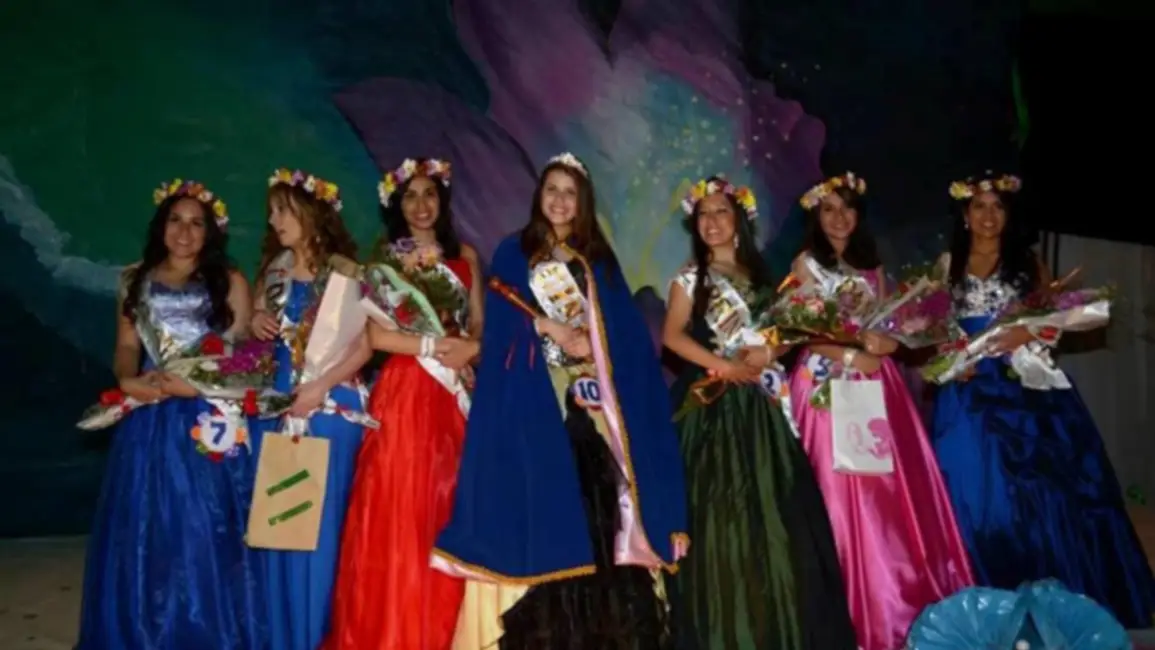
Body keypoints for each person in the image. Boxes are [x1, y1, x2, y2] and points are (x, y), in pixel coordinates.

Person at [432, 152, 689, 649]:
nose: (559, 200)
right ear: (539, 196)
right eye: (551, 189)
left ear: (582, 202)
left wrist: (594, 340)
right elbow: (501, 332)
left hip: (591, 407)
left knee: (600, 518)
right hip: (539, 403)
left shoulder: (598, 261)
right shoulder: (514, 252)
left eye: (570, 193)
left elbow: (626, 340)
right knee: (553, 510)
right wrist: (546, 326)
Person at [931, 171, 1155, 629]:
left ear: (1008, 215)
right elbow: (931, 328)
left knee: (1045, 489)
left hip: (1024, 384)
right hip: (968, 387)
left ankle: (1056, 597)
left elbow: (1053, 324)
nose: (989, 216)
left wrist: (1028, 332)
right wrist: (950, 355)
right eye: (979, 207)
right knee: (969, 485)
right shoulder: (946, 265)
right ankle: (980, 601)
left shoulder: (1028, 264)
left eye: (998, 207)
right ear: (965, 214)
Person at [661, 176, 857, 649]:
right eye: (703, 214)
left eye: (721, 212)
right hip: (712, 405)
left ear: (739, 220)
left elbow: (785, 332)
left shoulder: (763, 277)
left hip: (762, 410)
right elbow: (672, 336)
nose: (712, 222)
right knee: (719, 524)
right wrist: (723, 366)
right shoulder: (690, 278)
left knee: (779, 521)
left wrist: (770, 354)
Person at [787, 172, 973, 650]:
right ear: (816, 217)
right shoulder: (806, 265)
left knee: (883, 494)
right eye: (829, 209)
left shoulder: (875, 269)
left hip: (876, 386)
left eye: (847, 208)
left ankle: (888, 597)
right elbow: (797, 330)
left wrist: (893, 341)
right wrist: (852, 356)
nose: (839, 218)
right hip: (826, 385)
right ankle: (839, 603)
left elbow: (890, 325)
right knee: (834, 490)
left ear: (859, 215)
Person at [76, 180, 263, 648]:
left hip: (207, 418)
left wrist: (197, 384)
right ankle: (145, 631)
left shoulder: (229, 281)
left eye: (196, 223)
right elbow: (126, 346)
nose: (184, 232)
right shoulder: (134, 280)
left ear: (210, 232)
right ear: (161, 227)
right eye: (176, 221)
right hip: (151, 416)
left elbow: (248, 358)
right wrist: (127, 380)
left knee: (206, 527)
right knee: (147, 529)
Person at [323, 158, 481, 650]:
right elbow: (376, 336)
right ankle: (396, 629)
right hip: (407, 389)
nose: (420, 205)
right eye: (410, 196)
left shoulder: (465, 256)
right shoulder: (386, 261)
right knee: (400, 508)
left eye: (429, 194)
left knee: (447, 505)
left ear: (442, 200)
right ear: (397, 205)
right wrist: (435, 346)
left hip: (454, 391)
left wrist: (471, 348)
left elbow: (478, 324)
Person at [248, 168, 370, 650]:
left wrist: (320, 387)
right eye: (272, 212)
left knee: (321, 532)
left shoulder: (347, 273)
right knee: (280, 530)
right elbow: (257, 346)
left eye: (283, 210)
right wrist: (256, 320)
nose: (274, 220)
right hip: (278, 405)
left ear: (311, 212)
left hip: (329, 404)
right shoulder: (273, 272)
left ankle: (317, 636)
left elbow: (364, 345)